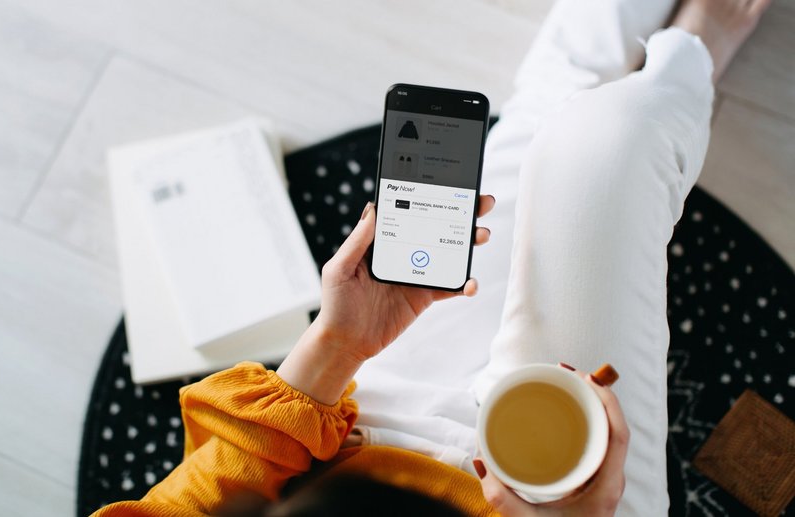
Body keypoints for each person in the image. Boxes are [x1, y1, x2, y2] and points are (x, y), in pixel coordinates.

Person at [92, 0, 772, 514]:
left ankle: (669, 51)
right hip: (551, 500)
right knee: (605, 145)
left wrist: (336, 342)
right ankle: (694, 51)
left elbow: (204, 497)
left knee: (540, 124)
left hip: (359, 444)